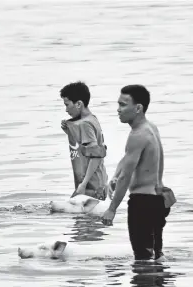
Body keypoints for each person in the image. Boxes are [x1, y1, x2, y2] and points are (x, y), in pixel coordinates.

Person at [101, 84, 172, 261]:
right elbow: (128, 159)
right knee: (156, 257)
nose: (118, 110)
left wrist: (112, 209)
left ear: (138, 108)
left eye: (123, 105)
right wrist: (116, 175)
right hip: (158, 200)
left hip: (143, 204)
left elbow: (127, 175)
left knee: (143, 260)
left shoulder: (137, 135)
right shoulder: (150, 128)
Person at [60, 81, 108, 200]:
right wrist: (70, 132)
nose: (66, 110)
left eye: (67, 104)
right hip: (98, 184)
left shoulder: (85, 124)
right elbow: (88, 148)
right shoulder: (92, 119)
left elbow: (96, 156)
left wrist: (83, 184)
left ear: (79, 104)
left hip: (91, 187)